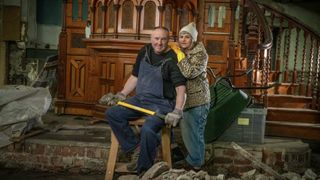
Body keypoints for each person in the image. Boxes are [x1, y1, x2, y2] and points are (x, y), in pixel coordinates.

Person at [104, 27, 186, 174]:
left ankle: (143, 171)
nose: (159, 43)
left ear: (168, 40)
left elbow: (181, 88)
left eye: (163, 39)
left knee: (148, 129)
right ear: (151, 38)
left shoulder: (172, 59)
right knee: (113, 113)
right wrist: (121, 95)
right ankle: (136, 148)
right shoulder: (144, 52)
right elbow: (135, 77)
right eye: (156, 38)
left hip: (162, 104)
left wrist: (177, 110)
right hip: (140, 100)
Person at [173, 22, 210, 170]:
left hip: (199, 100)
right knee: (188, 134)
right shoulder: (183, 52)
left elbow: (189, 73)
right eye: (181, 36)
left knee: (196, 133)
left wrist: (180, 57)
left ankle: (197, 164)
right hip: (186, 100)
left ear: (193, 39)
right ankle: (193, 160)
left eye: (187, 37)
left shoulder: (201, 54)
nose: (183, 39)